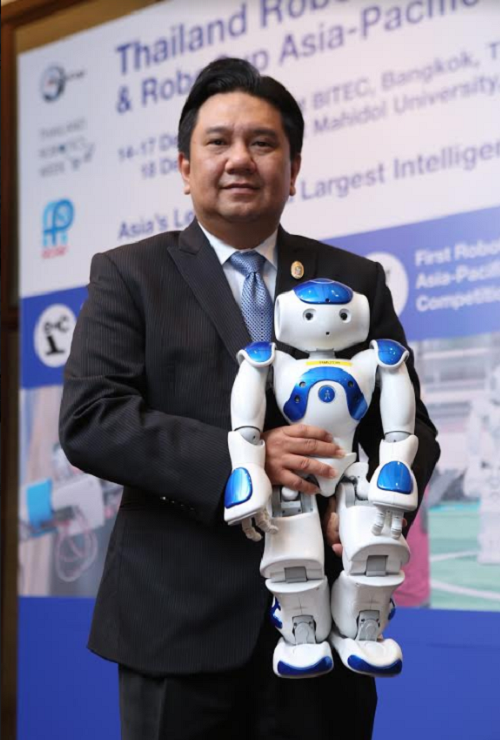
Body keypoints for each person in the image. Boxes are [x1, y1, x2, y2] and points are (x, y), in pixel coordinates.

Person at [59, 58, 440, 740]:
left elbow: (413, 428)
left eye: (263, 143)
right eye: (219, 142)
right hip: (177, 628)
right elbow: (92, 419)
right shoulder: (130, 275)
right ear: (185, 167)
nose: (240, 159)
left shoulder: (354, 280)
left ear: (294, 170)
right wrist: (245, 461)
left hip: (323, 634)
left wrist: (359, 512)